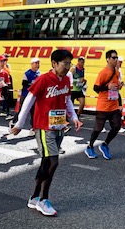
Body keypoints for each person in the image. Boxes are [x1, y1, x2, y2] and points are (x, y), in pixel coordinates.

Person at [11, 49, 83, 216]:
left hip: (59, 127)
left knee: (46, 162)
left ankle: (34, 197)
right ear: (54, 63)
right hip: (44, 127)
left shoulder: (66, 80)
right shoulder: (43, 79)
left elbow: (67, 102)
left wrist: (74, 118)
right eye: (64, 64)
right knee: (53, 161)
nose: (67, 67)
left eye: (69, 64)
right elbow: (29, 100)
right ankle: (44, 199)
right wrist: (20, 123)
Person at [85, 50, 123, 160]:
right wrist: (107, 88)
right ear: (107, 59)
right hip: (103, 105)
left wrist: (118, 86)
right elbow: (96, 88)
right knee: (98, 128)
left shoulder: (117, 72)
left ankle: (105, 144)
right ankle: (90, 146)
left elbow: (114, 86)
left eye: (117, 58)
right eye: (114, 58)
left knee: (116, 126)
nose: (116, 60)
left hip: (114, 105)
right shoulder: (103, 73)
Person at [9, 57, 41, 129]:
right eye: (36, 63)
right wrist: (33, 85)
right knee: (22, 110)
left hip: (35, 95)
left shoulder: (39, 73)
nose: (37, 65)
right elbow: (24, 84)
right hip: (26, 95)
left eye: (38, 63)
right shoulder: (27, 73)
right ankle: (14, 122)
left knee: (34, 111)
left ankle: (33, 127)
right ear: (32, 64)